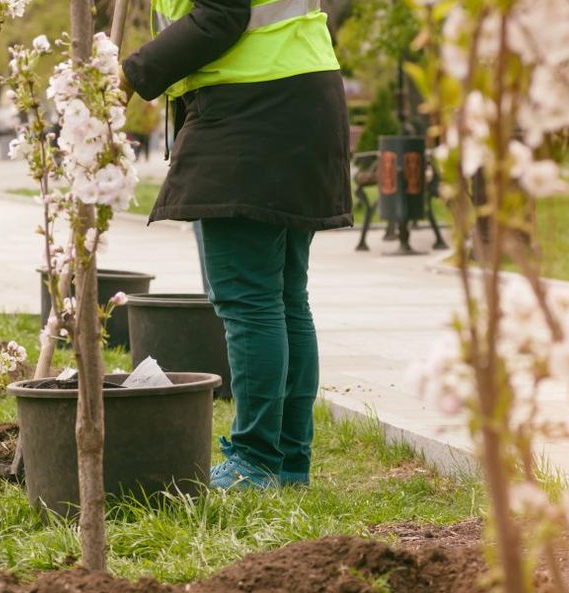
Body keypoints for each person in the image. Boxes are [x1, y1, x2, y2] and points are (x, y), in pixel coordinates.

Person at [120, 0, 353, 489]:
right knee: (285, 298)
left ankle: (255, 459)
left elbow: (220, 14)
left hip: (252, 108)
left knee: (249, 299)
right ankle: (287, 462)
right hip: (299, 98)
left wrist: (132, 74)